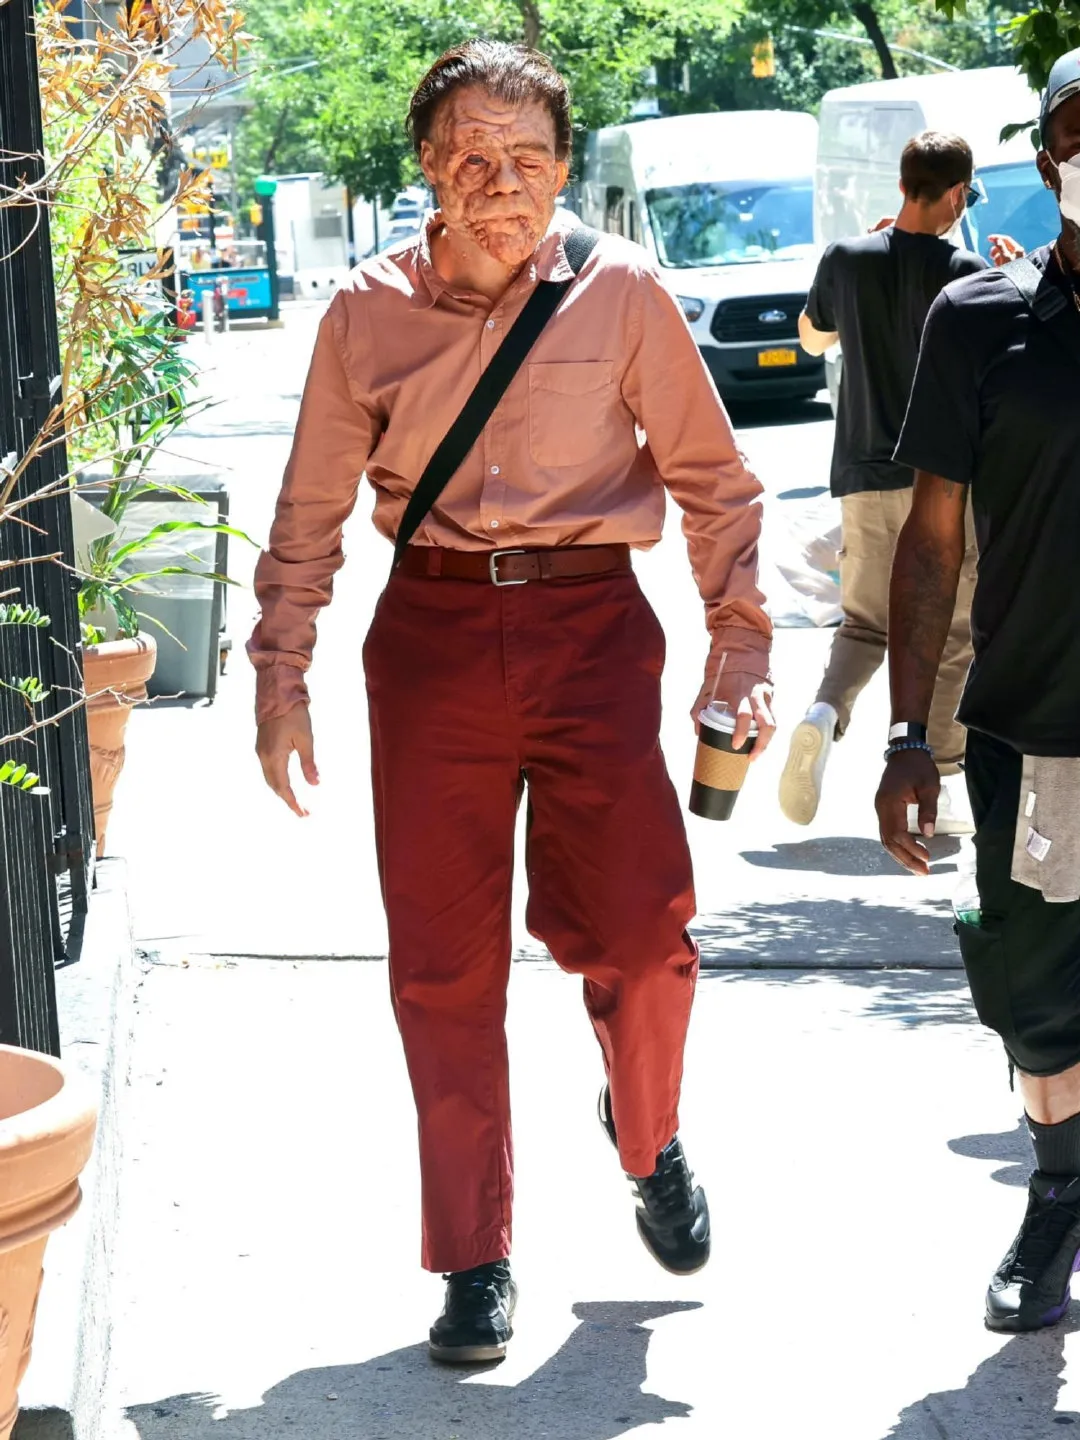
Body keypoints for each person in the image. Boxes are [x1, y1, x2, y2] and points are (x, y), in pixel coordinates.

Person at [248, 41, 775, 1364]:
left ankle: (647, 1133)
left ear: (565, 167)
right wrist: (279, 672)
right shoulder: (364, 314)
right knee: (441, 969)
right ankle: (473, 1254)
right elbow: (308, 513)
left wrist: (741, 642)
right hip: (430, 642)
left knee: (644, 938)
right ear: (426, 169)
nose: (501, 186)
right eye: (472, 158)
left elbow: (716, 486)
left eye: (528, 158)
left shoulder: (624, 294)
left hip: (595, 634)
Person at [875, 47, 1080, 1334]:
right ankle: (1059, 1195)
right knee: (1037, 1003)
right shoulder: (979, 319)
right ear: (1048, 159)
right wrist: (910, 733)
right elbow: (932, 538)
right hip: (1038, 726)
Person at [779, 132, 988, 831]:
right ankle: (942, 776)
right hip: (944, 483)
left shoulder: (845, 257)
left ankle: (823, 713)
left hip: (862, 473)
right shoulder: (966, 271)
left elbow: (813, 338)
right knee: (951, 630)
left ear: (902, 185)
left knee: (866, 624)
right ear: (955, 194)